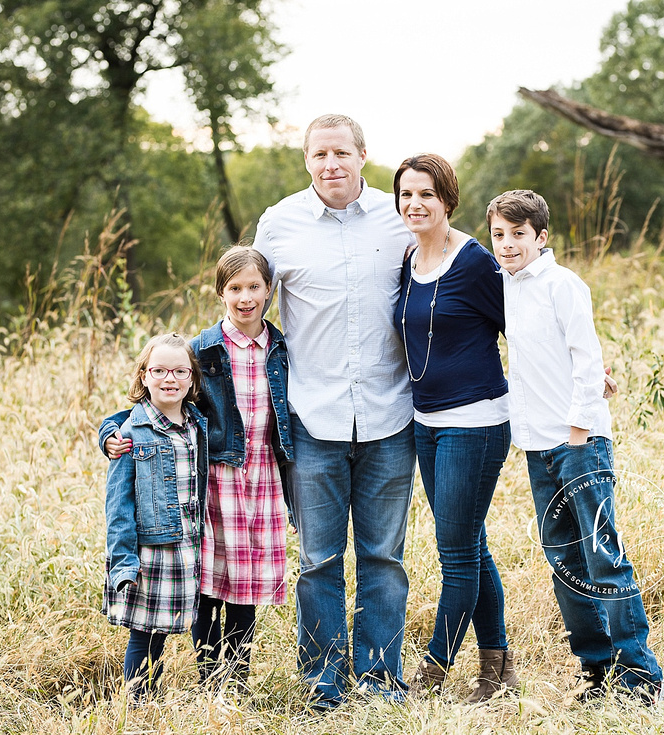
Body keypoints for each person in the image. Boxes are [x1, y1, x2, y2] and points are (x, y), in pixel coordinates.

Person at [252, 114, 416, 708]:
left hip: (390, 413)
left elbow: (457, 278)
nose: (331, 164)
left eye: (341, 152)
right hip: (311, 418)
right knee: (319, 559)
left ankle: (378, 676)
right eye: (319, 154)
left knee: (383, 557)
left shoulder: (402, 216)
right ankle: (323, 680)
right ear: (306, 161)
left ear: (363, 155)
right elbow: (246, 307)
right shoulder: (279, 223)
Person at [488, 189, 664, 704]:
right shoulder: (503, 285)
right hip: (536, 445)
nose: (507, 244)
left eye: (518, 234)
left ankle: (640, 677)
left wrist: (580, 431)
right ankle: (597, 667)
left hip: (577, 442)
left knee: (603, 555)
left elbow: (587, 358)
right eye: (499, 234)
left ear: (541, 237)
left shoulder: (562, 285)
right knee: (564, 560)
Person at [101, 246, 294, 693]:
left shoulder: (280, 345)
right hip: (213, 483)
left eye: (254, 287)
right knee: (207, 581)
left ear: (269, 291)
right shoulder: (202, 349)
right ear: (220, 293)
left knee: (246, 585)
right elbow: (146, 407)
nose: (245, 297)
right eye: (234, 288)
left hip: (262, 477)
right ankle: (209, 673)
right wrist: (106, 432)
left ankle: (236, 678)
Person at [392, 154, 518, 703]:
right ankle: (498, 672)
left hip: (476, 422)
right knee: (471, 543)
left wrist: (584, 372)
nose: (414, 204)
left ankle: (433, 672)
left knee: (456, 553)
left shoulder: (474, 262)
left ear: (447, 199)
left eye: (426, 194)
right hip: (426, 422)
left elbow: (524, 324)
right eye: (406, 195)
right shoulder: (407, 260)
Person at [102, 332, 208, 701]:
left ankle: (210, 691)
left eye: (180, 371)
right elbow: (118, 505)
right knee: (146, 633)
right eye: (159, 370)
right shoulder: (131, 433)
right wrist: (123, 561)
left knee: (181, 624)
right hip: (153, 550)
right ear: (143, 375)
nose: (169, 379)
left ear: (193, 378)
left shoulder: (198, 425)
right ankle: (138, 702)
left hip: (190, 546)